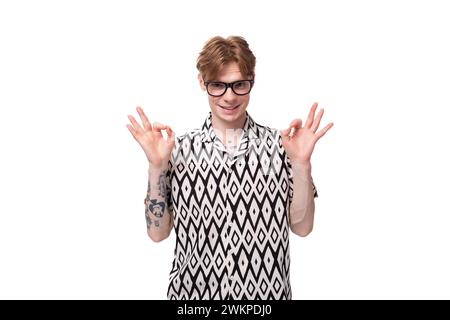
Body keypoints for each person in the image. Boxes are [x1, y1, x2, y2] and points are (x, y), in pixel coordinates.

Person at [126, 36, 333, 300]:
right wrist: (156, 166)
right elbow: (157, 234)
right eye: (218, 86)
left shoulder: (283, 146)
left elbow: (302, 228)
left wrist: (301, 164)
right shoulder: (176, 150)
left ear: (252, 80)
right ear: (202, 83)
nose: (229, 96)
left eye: (239, 85)